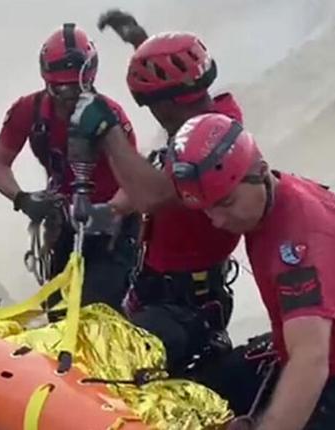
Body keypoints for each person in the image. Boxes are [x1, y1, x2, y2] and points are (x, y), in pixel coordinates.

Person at [69, 108, 335, 428]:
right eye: (207, 208)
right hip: (296, 353)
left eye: (226, 203)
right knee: (192, 394)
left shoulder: (299, 248)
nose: (218, 220)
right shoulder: (285, 187)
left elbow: (311, 361)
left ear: (257, 172)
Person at [96, 15, 246, 373]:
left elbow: (153, 196)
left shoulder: (209, 145)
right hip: (165, 296)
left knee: (106, 370)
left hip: (181, 311)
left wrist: (108, 134)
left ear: (165, 105)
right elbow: (178, 92)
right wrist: (143, 47)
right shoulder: (212, 119)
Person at [0, 22, 140, 313]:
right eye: (61, 89)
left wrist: (108, 212)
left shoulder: (111, 118)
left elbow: (135, 185)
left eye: (77, 88)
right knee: (57, 310)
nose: (70, 97)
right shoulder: (27, 112)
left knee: (97, 310)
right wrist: (23, 198)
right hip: (65, 225)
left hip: (114, 229)